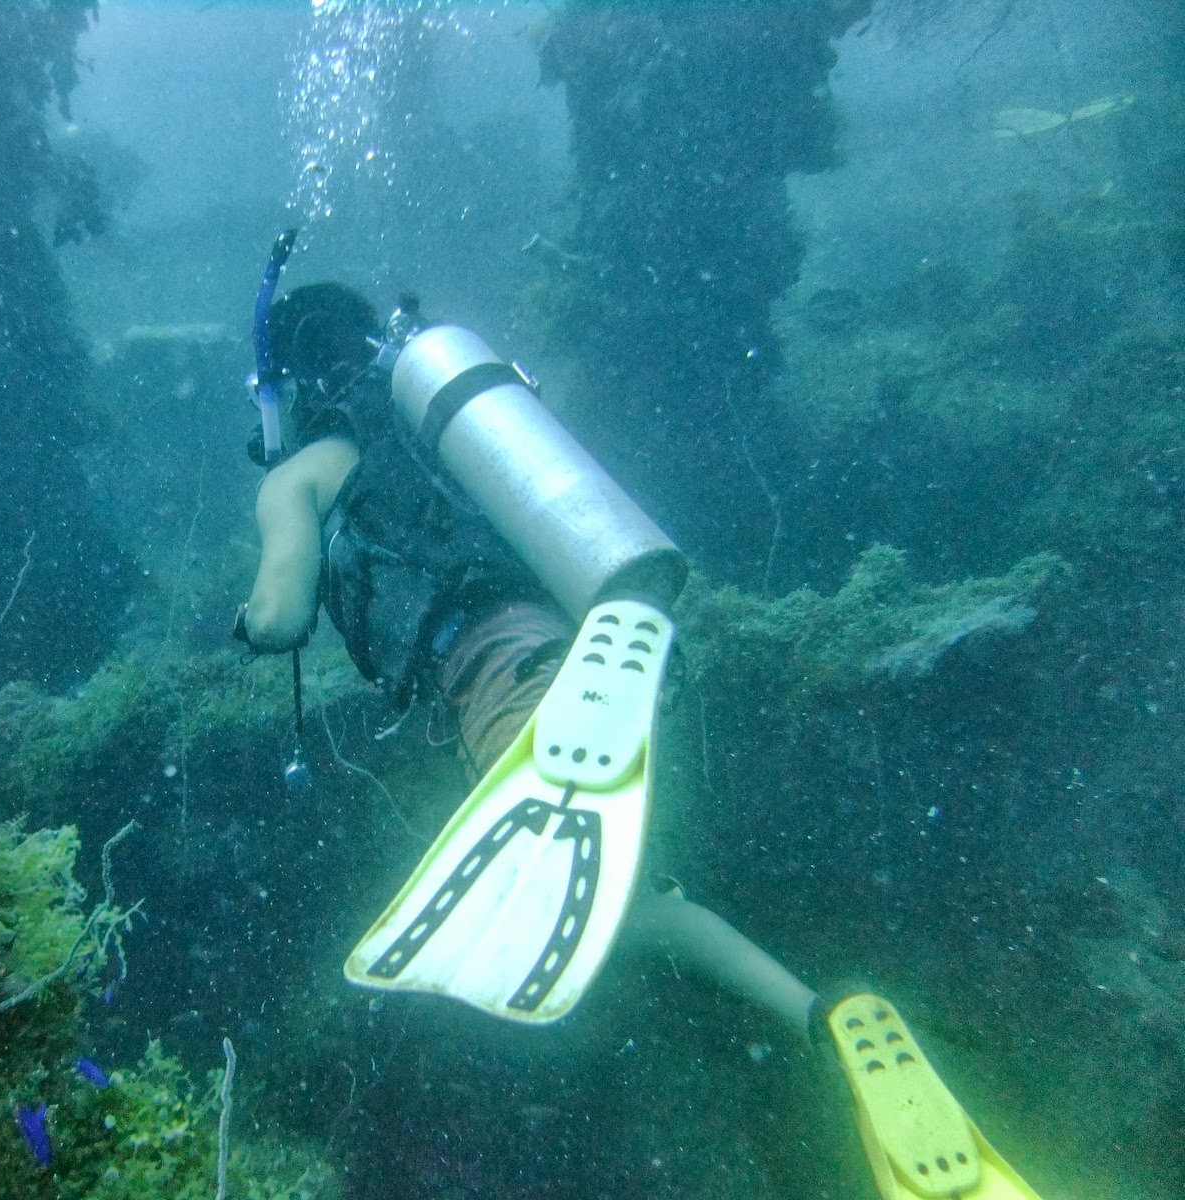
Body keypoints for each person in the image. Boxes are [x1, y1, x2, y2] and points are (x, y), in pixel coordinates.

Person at [233, 243, 1046, 1200]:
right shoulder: (463, 433)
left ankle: (807, 1011)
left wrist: (247, 620)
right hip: (609, 641)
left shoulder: (306, 473)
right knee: (635, 901)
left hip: (499, 663)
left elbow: (283, 616)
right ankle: (827, 1016)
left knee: (584, 876)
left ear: (286, 386)